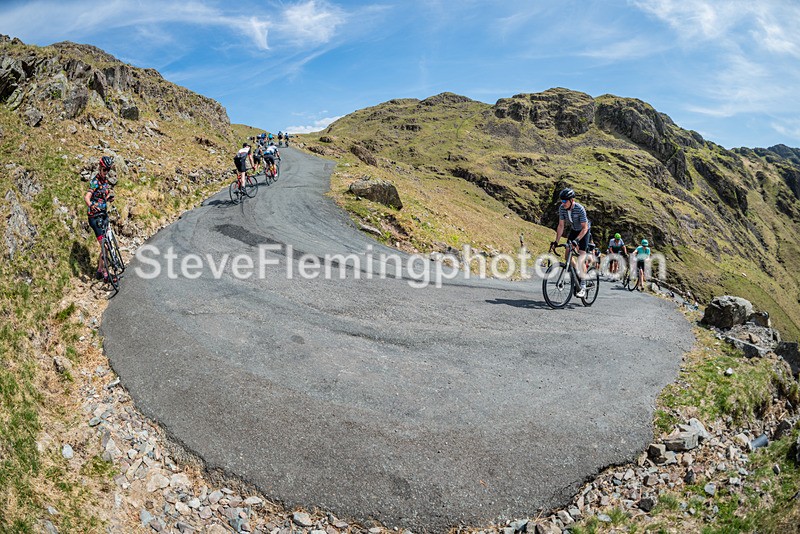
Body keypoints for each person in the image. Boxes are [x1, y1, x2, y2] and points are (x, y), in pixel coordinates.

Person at [551, 187, 591, 297]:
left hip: (584, 230)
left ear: (571, 200)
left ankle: (583, 284)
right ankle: (578, 273)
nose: (562, 203)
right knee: (567, 253)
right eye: (561, 201)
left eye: (565, 201)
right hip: (574, 229)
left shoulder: (580, 208)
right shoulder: (562, 208)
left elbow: (584, 228)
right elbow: (561, 225)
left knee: (581, 257)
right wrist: (556, 241)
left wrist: (577, 241)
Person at [84, 156, 116, 282]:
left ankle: (99, 270)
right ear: (100, 168)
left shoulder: (105, 181)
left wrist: (109, 198)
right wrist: (92, 205)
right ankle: (106, 274)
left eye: (108, 170)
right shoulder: (95, 181)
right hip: (94, 217)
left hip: (103, 214)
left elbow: (104, 194)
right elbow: (87, 197)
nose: (106, 172)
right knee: (105, 246)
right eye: (104, 170)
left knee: (107, 243)